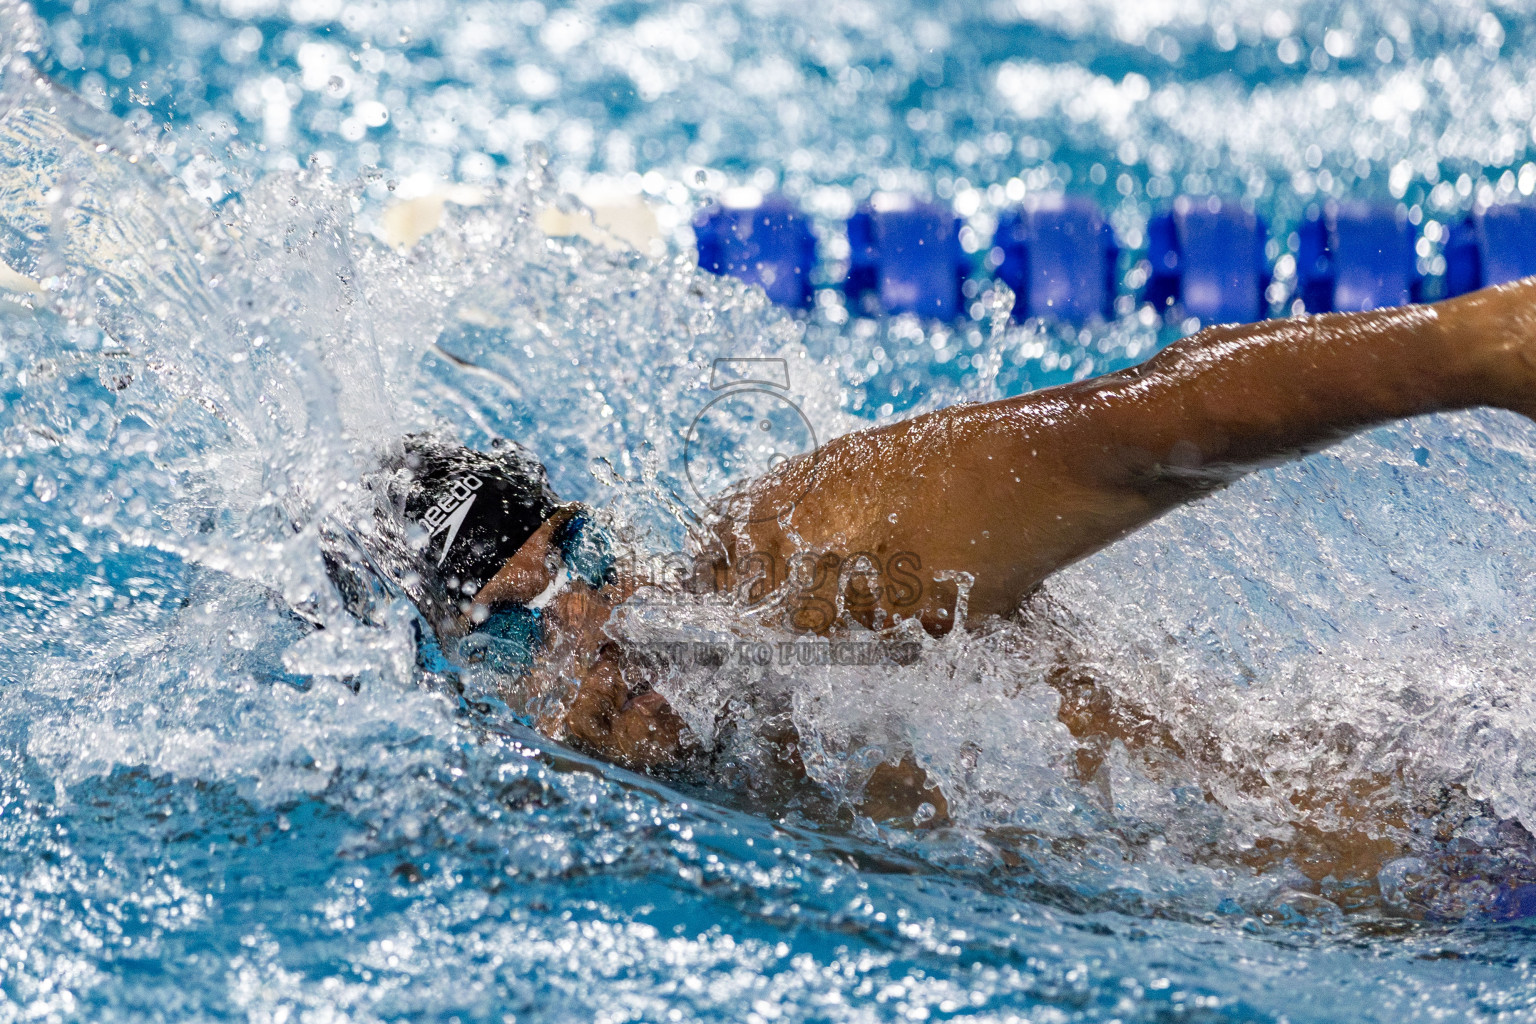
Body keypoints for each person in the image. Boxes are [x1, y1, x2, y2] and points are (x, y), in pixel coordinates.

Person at [352, 278, 1536, 853]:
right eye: (518, 628)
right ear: (465, 686)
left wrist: (1476, 349)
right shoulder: (581, 798)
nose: (589, 627)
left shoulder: (794, 567)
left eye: (582, 560)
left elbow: (1126, 434)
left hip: (1461, 831)